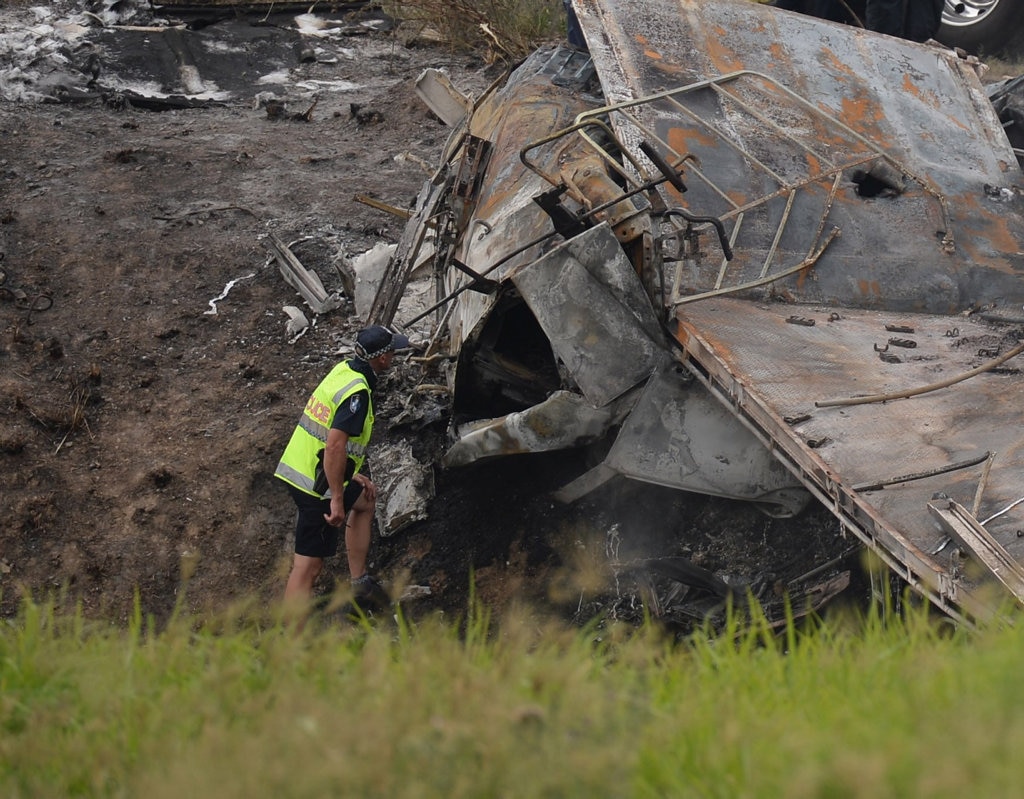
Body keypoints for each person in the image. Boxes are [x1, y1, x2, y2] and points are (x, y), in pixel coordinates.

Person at [275, 324, 409, 614]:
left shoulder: (344, 371)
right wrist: (336, 497)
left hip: (308, 467)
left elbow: (330, 439)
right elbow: (335, 446)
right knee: (308, 567)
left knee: (364, 497)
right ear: (383, 359)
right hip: (315, 485)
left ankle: (359, 583)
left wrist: (349, 477)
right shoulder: (357, 395)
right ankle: (288, 645)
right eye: (393, 352)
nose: (395, 357)